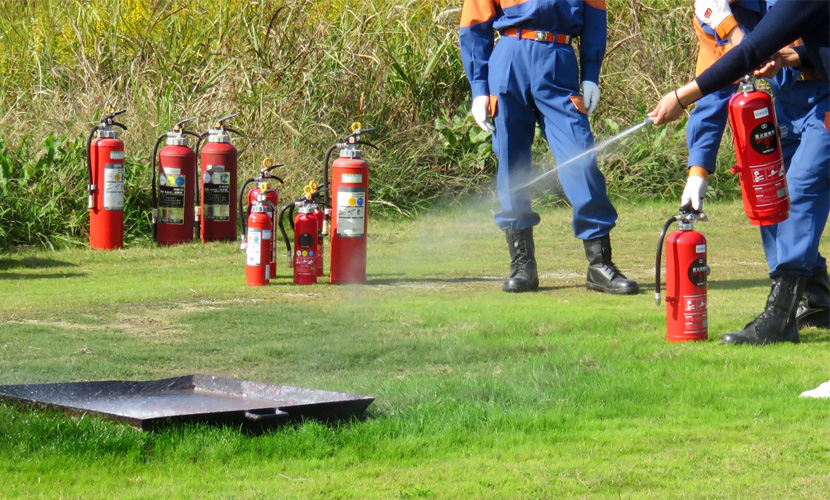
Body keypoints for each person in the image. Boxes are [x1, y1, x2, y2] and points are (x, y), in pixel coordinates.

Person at [650, 0, 829, 344]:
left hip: (824, 103)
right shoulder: (714, 11)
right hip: (789, 107)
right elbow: (716, 87)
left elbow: (750, 51)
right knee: (767, 193)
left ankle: (779, 318)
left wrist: (680, 95)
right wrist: (697, 171)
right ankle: (816, 296)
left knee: (802, 190)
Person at [459, 0, 639, 294]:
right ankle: (522, 266)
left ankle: (599, 265)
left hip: (558, 62)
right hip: (507, 62)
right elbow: (473, 24)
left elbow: (594, 18)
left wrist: (591, 74)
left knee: (580, 159)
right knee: (511, 167)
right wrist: (479, 87)